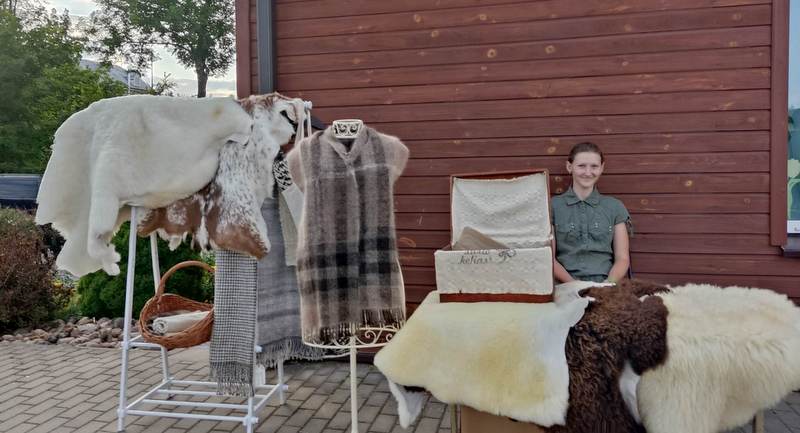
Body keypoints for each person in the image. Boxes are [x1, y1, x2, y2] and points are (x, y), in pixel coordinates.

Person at [551, 142, 631, 283]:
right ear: (569, 167)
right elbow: (549, 259)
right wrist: (573, 285)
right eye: (581, 166)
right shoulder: (552, 206)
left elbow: (622, 258)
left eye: (594, 166)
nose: (588, 173)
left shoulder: (615, 207)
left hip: (606, 285)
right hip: (565, 286)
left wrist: (608, 284)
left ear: (602, 168)